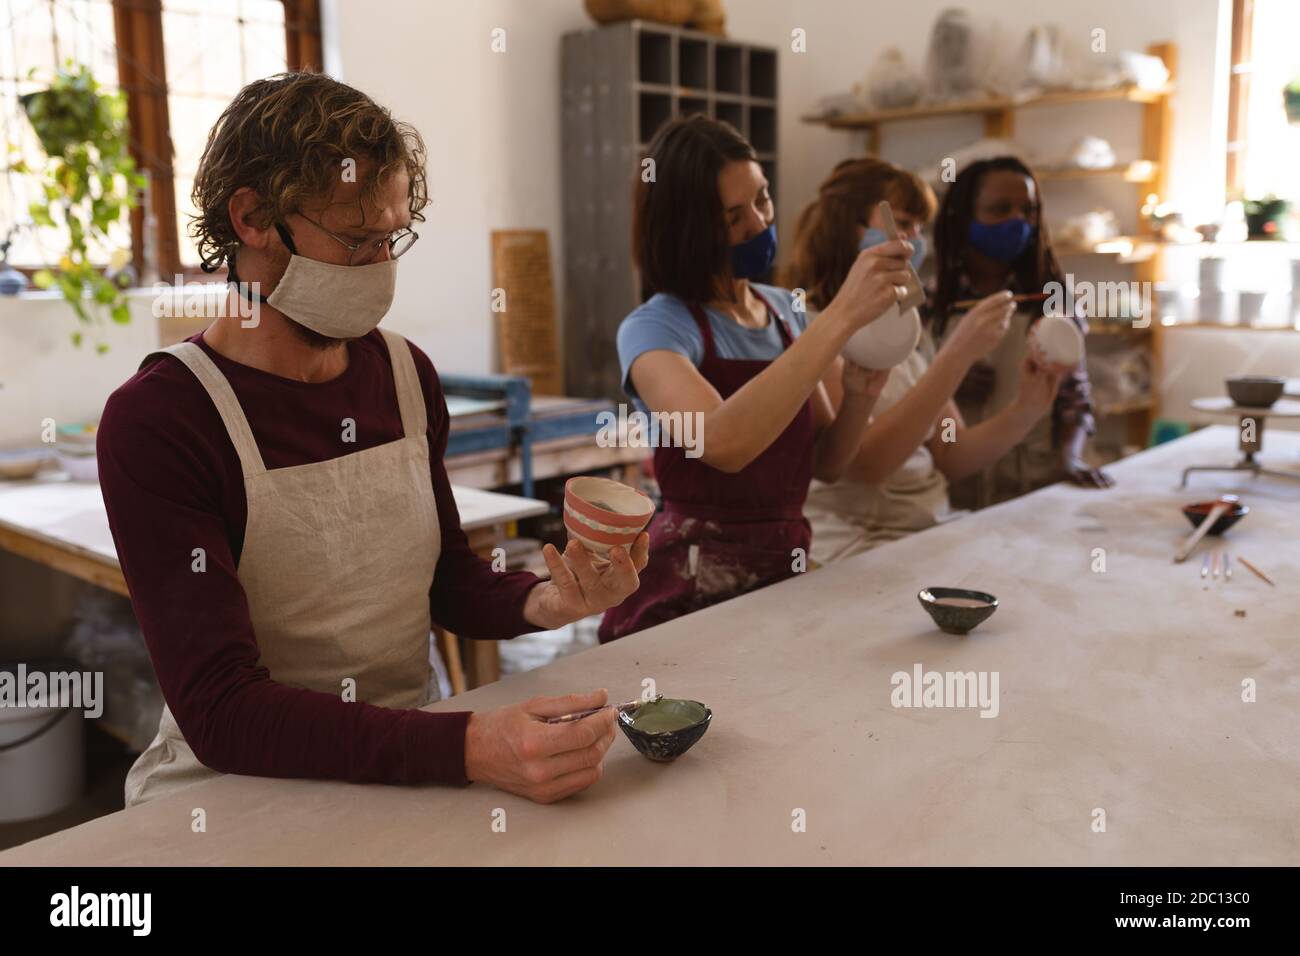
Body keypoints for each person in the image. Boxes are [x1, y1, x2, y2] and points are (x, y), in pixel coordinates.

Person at [97, 73, 648, 807]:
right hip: (237, 790)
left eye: (392, 237)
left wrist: (550, 599)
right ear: (253, 217)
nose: (381, 267)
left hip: (406, 757)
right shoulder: (164, 420)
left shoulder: (403, 374)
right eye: (357, 239)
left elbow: (448, 581)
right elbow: (222, 711)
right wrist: (473, 744)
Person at [598, 117, 910, 642]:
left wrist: (859, 395)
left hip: (782, 571)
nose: (761, 223)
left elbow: (830, 463)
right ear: (688, 231)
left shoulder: (783, 312)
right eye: (733, 216)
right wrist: (837, 319)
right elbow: (722, 442)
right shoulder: (654, 328)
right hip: (688, 587)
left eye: (763, 200)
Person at [788, 158, 1070, 562]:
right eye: (903, 223)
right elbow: (863, 465)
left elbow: (950, 455)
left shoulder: (904, 326)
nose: (915, 242)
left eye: (920, 229)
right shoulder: (811, 327)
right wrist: (957, 355)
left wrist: (1026, 409)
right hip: (857, 543)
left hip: (924, 528)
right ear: (847, 226)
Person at [929, 156, 1114, 504]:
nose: (1018, 221)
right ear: (965, 217)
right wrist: (945, 379)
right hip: (950, 490)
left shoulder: (1051, 300)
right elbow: (904, 398)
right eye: (1000, 209)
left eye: (1027, 211)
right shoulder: (931, 304)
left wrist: (1069, 458)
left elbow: (1074, 399)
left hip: (1032, 485)